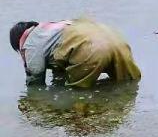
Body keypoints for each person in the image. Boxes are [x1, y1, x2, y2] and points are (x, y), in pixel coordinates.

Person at [10, 18, 141, 88]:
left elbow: (35, 78)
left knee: (77, 96)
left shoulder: (31, 42)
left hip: (91, 49)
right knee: (127, 85)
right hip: (117, 40)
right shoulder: (55, 27)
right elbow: (60, 60)